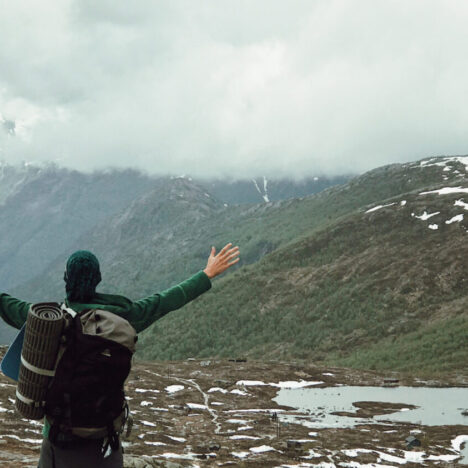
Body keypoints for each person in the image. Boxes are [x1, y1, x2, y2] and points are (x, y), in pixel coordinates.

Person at [0, 243, 240, 468]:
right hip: (105, 439)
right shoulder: (122, 317)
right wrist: (206, 274)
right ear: (97, 280)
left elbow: (8, 306)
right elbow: (164, 301)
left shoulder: (48, 321)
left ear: (66, 280)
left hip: (57, 439)